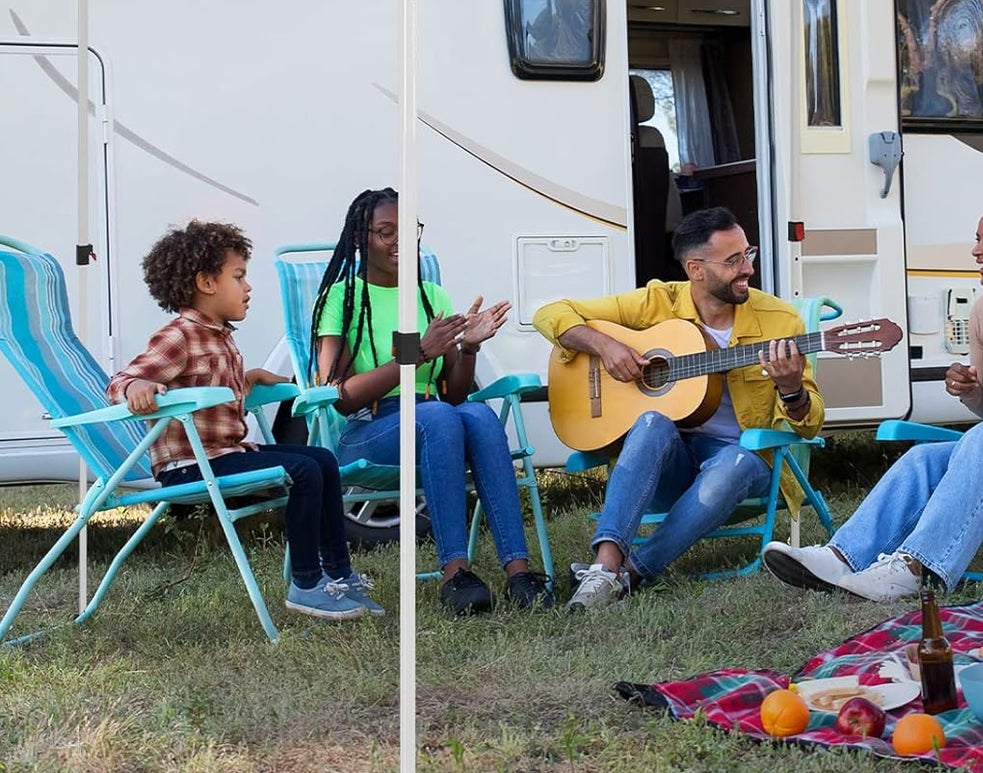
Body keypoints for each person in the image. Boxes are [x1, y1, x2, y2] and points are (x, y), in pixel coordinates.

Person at [763, 192, 983, 600]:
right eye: (978, 239)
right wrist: (969, 391)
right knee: (923, 458)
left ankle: (913, 568)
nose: (977, 250)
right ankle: (840, 557)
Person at [534, 206, 823, 610]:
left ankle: (632, 573)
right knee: (652, 420)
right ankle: (604, 566)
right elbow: (548, 313)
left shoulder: (779, 321)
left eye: (748, 253)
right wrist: (606, 346)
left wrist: (791, 389)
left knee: (736, 462)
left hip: (741, 462)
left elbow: (810, 426)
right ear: (696, 270)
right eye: (733, 260)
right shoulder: (658, 302)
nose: (748, 269)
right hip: (669, 463)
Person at [108, 220, 381, 621]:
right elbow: (122, 380)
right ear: (206, 283)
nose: (248, 287)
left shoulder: (220, 335)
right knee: (304, 470)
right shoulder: (181, 335)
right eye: (238, 277)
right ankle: (307, 584)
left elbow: (206, 383)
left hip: (226, 454)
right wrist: (136, 387)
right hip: (191, 465)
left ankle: (339, 576)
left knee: (322, 459)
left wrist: (248, 379)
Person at [309, 188, 553, 615]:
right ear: (360, 238)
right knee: (440, 416)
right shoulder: (342, 298)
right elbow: (340, 396)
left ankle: (519, 573)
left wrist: (469, 347)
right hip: (370, 429)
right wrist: (417, 352)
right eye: (386, 232)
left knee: (476, 414)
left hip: (433, 418)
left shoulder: (431, 296)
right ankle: (455, 574)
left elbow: (454, 392)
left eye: (409, 230)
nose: (400, 242)